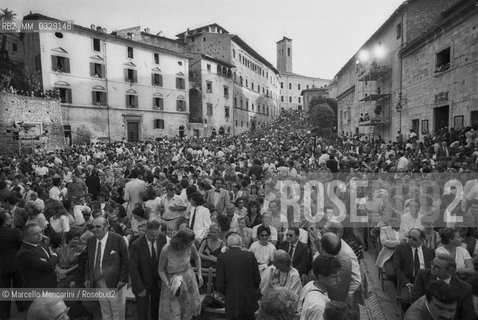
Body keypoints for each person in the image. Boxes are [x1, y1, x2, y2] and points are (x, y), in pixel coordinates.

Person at [84, 217, 129, 320]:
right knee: (105, 312)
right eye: (93, 227)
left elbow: (126, 261)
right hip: (98, 282)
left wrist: (122, 279)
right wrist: (87, 278)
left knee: (117, 313)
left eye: (98, 226)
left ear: (106, 227)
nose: (94, 229)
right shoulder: (91, 241)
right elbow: (88, 261)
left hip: (115, 282)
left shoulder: (117, 239)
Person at [411, 254, 475, 320]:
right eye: (432, 263)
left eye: (436, 267)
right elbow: (416, 300)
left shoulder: (464, 288)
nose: (432, 267)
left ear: (449, 272)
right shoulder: (423, 275)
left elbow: (468, 315)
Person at [157, 229, 202, 320]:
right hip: (171, 281)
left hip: (187, 277)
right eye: (188, 244)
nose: (190, 246)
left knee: (187, 310)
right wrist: (167, 283)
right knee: (173, 312)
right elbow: (160, 270)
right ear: (181, 242)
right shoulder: (166, 249)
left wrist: (199, 274)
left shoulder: (190, 245)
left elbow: (197, 258)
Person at [216, 232, 261, 320]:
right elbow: (257, 279)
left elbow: (219, 284)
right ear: (240, 243)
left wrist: (227, 293)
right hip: (249, 299)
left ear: (227, 245)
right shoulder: (250, 255)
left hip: (231, 300)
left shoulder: (222, 257)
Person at [130, 220, 168, 320]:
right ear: (146, 231)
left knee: (156, 311)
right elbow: (133, 269)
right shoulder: (136, 245)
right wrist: (139, 288)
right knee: (143, 312)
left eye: (157, 235)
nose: (155, 238)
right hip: (142, 283)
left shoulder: (162, 238)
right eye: (152, 235)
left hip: (158, 283)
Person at [298, 255, 341, 320]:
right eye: (334, 277)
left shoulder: (309, 285)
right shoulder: (319, 307)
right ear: (321, 277)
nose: (339, 280)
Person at [0, 210, 24, 318]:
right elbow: (20, 246)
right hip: (15, 264)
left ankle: (4, 314)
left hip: (2, 266)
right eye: (10, 218)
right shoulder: (14, 232)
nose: (11, 219)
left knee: (4, 289)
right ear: (5, 221)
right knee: (17, 286)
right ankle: (20, 305)